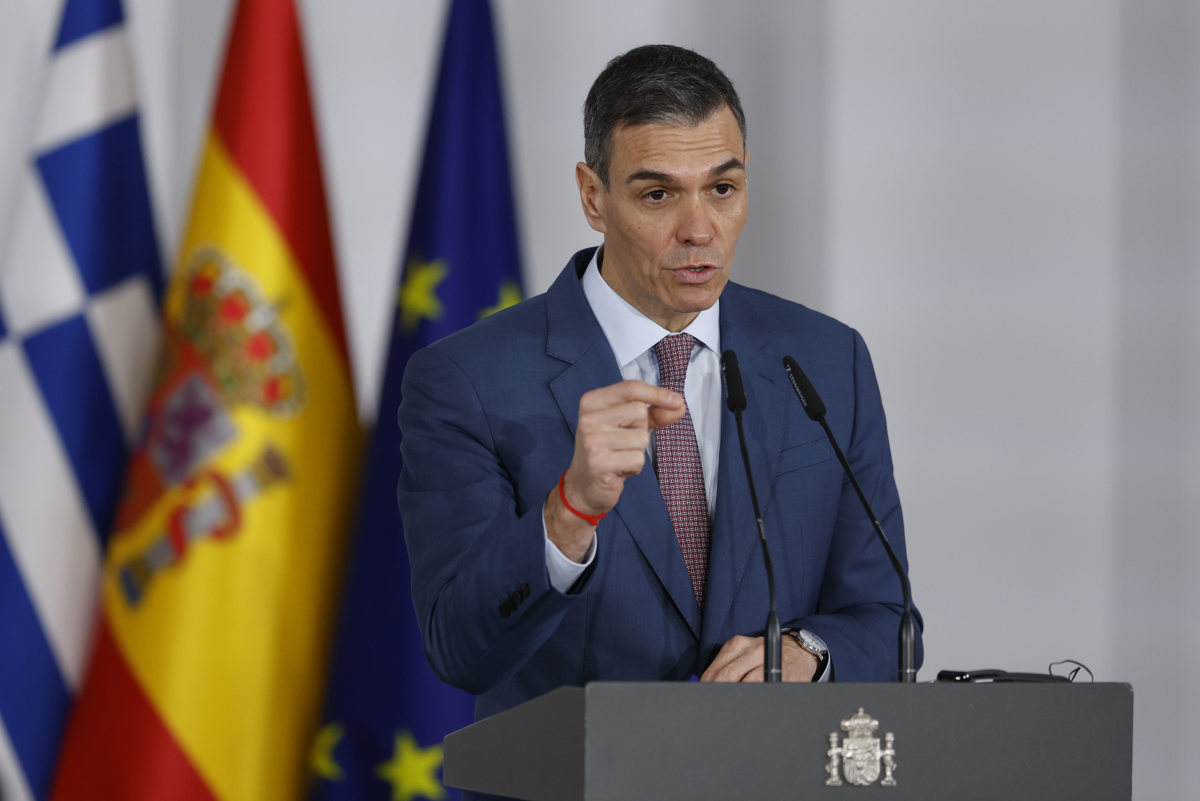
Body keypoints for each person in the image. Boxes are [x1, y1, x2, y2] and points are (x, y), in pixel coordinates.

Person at [398, 44, 921, 729]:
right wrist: (568, 512)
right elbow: (459, 648)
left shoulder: (826, 360)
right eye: (658, 194)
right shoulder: (468, 380)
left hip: (770, 768)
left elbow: (887, 615)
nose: (699, 230)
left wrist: (809, 652)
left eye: (722, 189)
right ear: (594, 197)